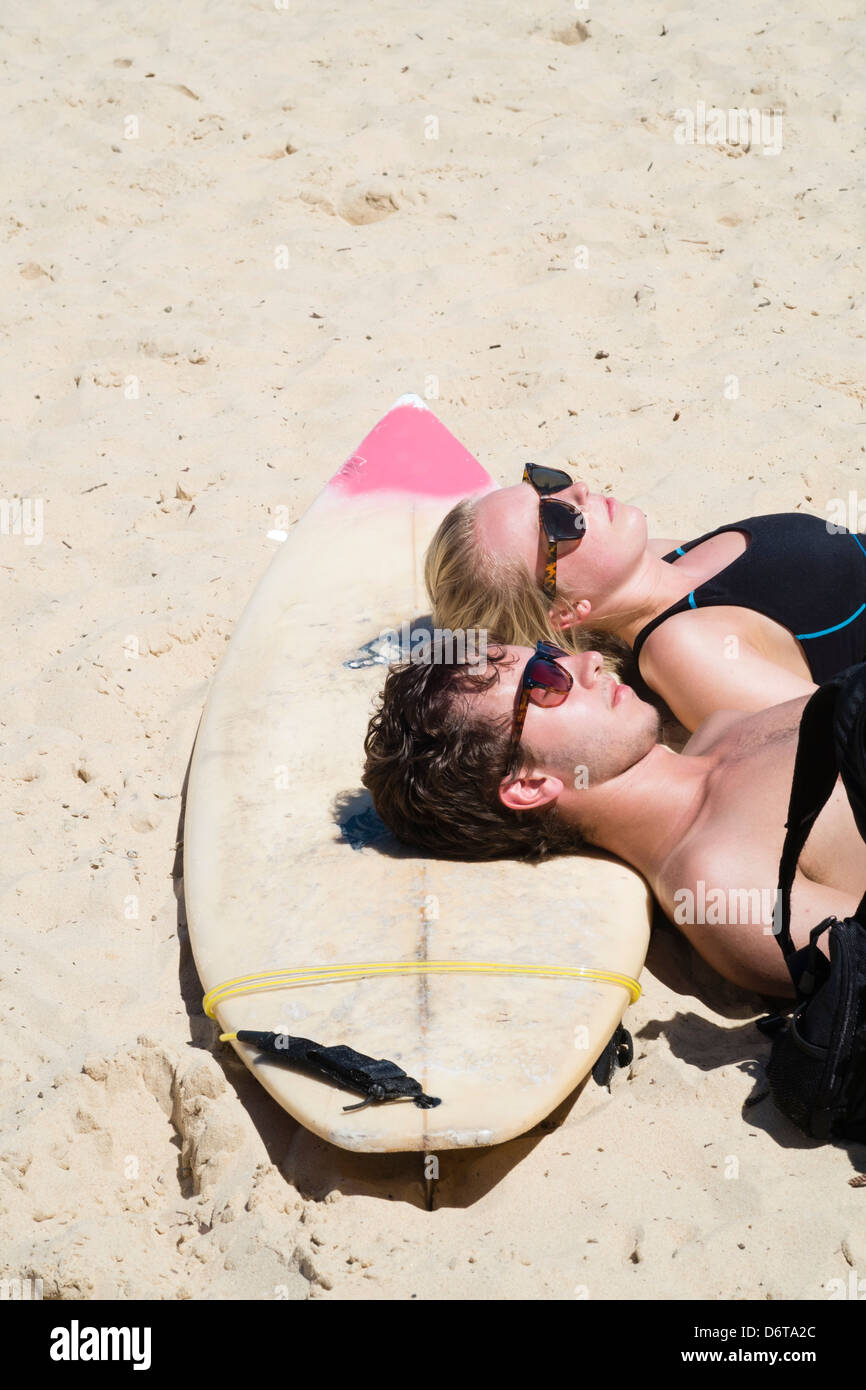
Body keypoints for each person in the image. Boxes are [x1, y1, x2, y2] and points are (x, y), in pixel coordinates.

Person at [362, 643, 866, 996]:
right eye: (545, 681)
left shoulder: (724, 730)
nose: (587, 660)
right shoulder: (718, 886)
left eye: (550, 652)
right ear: (528, 785)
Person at [424, 464, 866, 730]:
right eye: (557, 520)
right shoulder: (683, 651)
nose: (576, 491)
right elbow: (837, 737)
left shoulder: (662, 560)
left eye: (546, 484)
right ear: (564, 611)